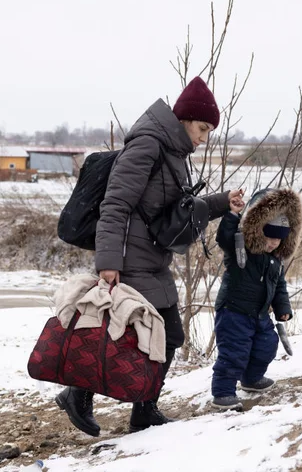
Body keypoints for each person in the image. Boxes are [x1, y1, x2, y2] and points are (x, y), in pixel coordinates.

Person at [56, 76, 245, 435]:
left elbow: (177, 209)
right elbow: (115, 204)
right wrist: (108, 262)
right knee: (146, 334)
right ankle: (79, 395)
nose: (204, 137)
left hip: (154, 259)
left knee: (162, 337)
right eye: (202, 128)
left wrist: (223, 202)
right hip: (129, 259)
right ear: (184, 119)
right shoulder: (147, 145)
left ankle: (142, 409)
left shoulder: (174, 153)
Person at [210, 187, 302, 411]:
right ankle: (223, 393)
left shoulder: (275, 260)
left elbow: (278, 285)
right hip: (234, 311)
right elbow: (224, 238)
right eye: (269, 238)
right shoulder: (240, 247)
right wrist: (232, 215)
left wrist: (283, 307)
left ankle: (251, 379)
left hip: (260, 313)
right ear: (258, 231)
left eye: (278, 241)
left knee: (267, 346)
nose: (272, 244)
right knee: (234, 352)